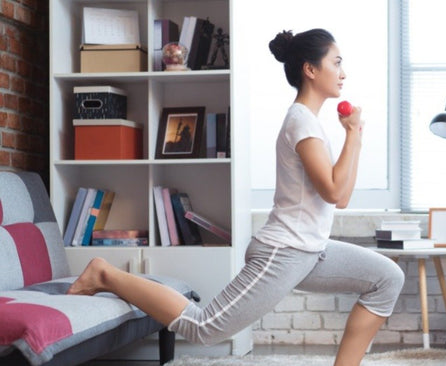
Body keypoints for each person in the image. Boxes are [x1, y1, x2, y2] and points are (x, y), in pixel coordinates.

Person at [67, 28, 405, 366]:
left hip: (311, 250)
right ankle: (104, 274)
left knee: (387, 277)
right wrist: (353, 137)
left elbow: (340, 197)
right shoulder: (301, 122)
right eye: (337, 62)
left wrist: (353, 135)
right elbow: (334, 191)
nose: (343, 73)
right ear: (310, 69)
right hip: (284, 252)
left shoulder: (310, 123)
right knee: (203, 328)